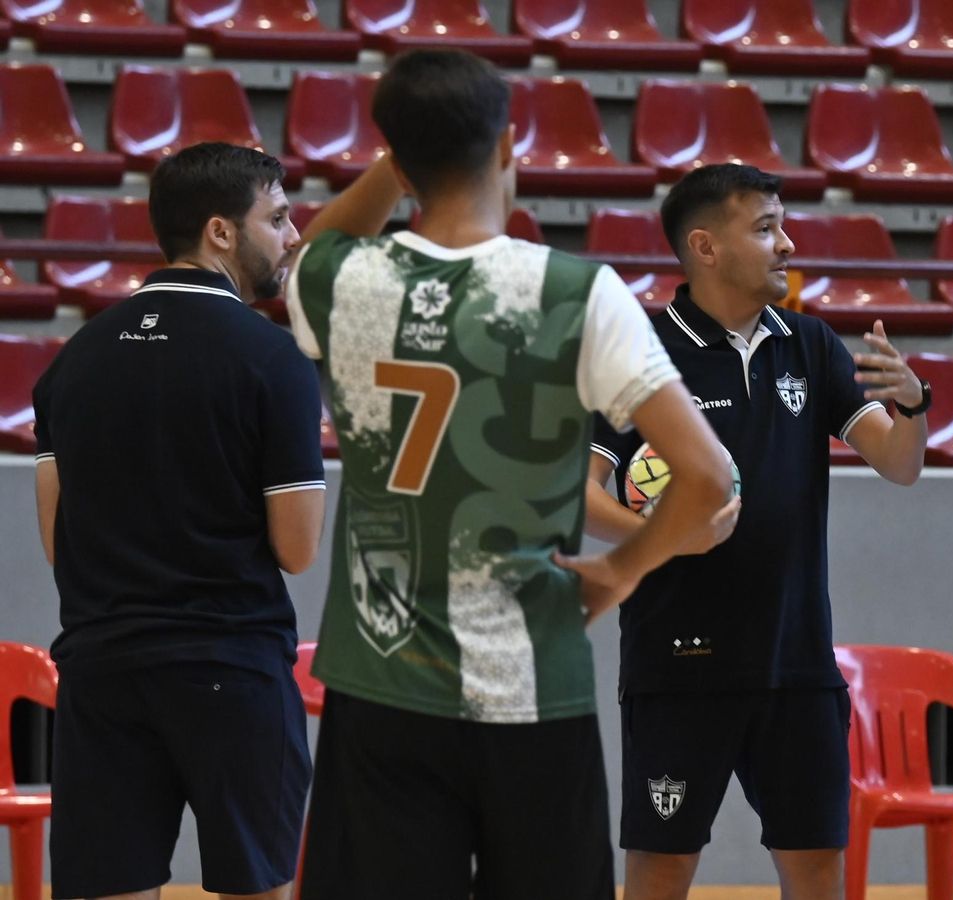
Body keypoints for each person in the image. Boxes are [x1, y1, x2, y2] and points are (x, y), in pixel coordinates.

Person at [284, 50, 729, 900]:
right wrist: (622, 571)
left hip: (380, 688)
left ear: (400, 159)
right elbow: (708, 479)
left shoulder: (340, 281)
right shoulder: (576, 291)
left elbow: (316, 242)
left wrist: (403, 152)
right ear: (508, 145)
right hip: (531, 688)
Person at [584, 163, 930, 900]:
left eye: (783, 224)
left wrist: (914, 404)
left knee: (815, 871)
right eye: (766, 228)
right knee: (661, 868)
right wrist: (666, 538)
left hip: (796, 663)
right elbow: (576, 493)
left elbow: (899, 465)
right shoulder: (639, 351)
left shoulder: (811, 344)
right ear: (705, 248)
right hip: (676, 665)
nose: (787, 243)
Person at [32, 142, 324, 900]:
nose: (293, 237)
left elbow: (55, 539)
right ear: (222, 232)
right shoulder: (273, 360)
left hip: (100, 672)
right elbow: (297, 549)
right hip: (230, 667)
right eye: (280, 217)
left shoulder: (73, 360)